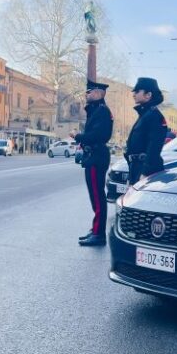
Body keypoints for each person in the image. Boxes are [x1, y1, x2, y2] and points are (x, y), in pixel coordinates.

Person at [71, 79, 114, 247]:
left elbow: (98, 135)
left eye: (89, 92)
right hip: (93, 156)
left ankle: (98, 234)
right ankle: (96, 229)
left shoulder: (102, 111)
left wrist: (78, 136)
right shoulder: (95, 110)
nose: (86, 94)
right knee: (94, 196)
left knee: (97, 196)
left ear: (99, 93)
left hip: (97, 156)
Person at [125, 77, 167, 185]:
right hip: (136, 167)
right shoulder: (145, 114)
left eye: (137, 91)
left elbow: (154, 147)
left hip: (145, 171)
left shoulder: (154, 115)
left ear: (148, 95)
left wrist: (145, 173)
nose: (134, 94)